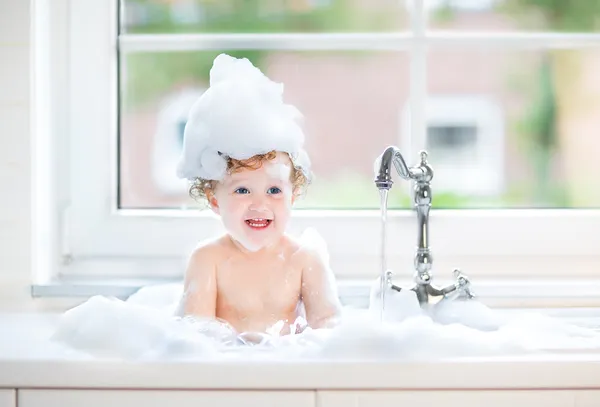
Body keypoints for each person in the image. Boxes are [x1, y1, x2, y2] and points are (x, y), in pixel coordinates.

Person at [174, 54, 342, 336]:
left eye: (274, 190)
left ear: (293, 195)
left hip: (285, 370)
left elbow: (328, 329)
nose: (259, 204)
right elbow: (195, 338)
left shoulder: (304, 260)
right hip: (228, 372)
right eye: (242, 190)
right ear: (215, 200)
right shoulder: (208, 260)